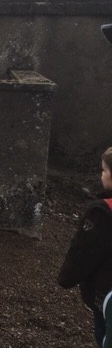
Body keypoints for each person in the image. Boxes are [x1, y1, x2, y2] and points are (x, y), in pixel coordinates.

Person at [58, 147, 112, 347]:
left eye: (104, 170)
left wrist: (66, 278)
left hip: (105, 294)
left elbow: (84, 251)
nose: (101, 174)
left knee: (105, 335)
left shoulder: (101, 213)